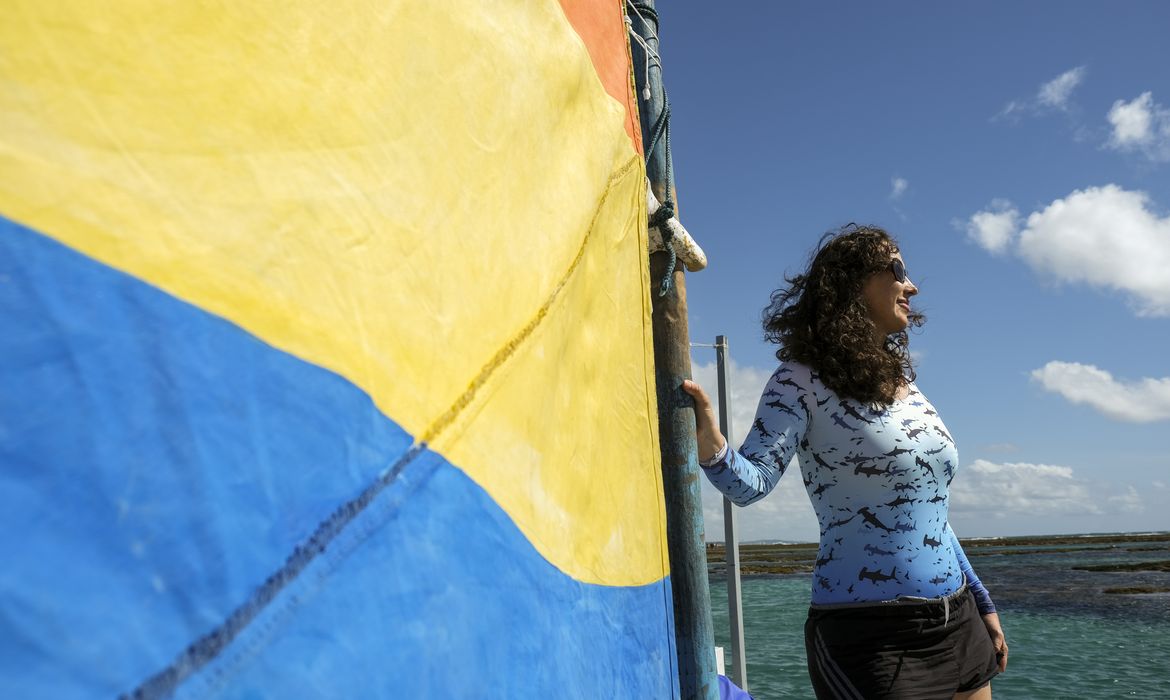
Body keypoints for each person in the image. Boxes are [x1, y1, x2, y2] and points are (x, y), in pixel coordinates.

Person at [683, 224, 1008, 699]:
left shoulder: (907, 388)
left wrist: (982, 602)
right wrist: (710, 441)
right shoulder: (798, 381)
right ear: (851, 284)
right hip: (870, 635)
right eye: (897, 270)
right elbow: (748, 486)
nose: (911, 285)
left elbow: (929, 511)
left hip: (958, 621)